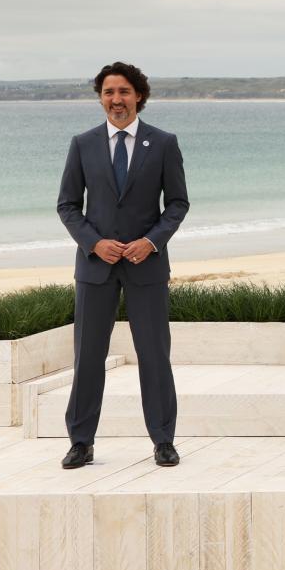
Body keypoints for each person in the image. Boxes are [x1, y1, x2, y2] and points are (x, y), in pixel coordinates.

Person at [56, 62, 189, 469]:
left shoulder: (163, 143)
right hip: (95, 269)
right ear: (100, 97)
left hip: (146, 268)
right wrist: (95, 243)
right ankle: (81, 441)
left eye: (125, 92)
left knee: (154, 356)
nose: (117, 100)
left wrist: (150, 242)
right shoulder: (83, 144)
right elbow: (67, 206)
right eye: (110, 92)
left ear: (139, 97)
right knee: (88, 357)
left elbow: (178, 204)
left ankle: (163, 440)